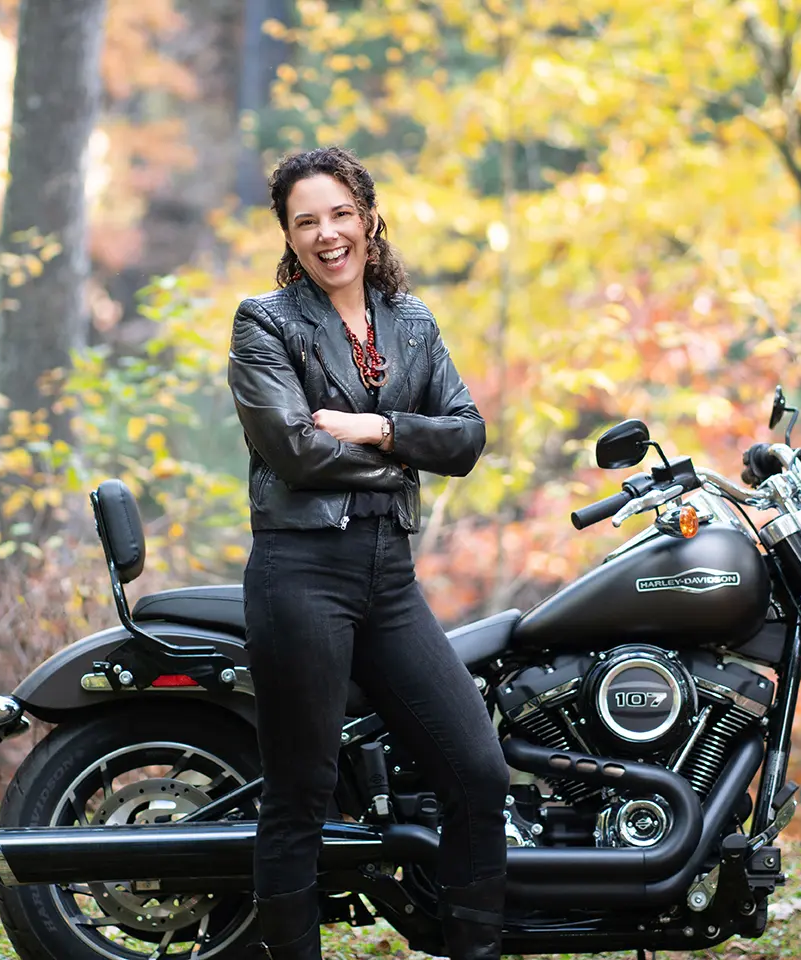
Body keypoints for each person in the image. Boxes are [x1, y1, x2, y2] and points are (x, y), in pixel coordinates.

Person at [227, 146, 509, 960]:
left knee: (478, 772)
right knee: (301, 792)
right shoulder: (265, 322)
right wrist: (404, 460)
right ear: (288, 235)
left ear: (369, 218)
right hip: (300, 574)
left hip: (389, 576)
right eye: (306, 222)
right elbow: (293, 450)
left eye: (340, 214)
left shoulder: (411, 322)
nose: (328, 234)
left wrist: (379, 428)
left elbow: (468, 437)